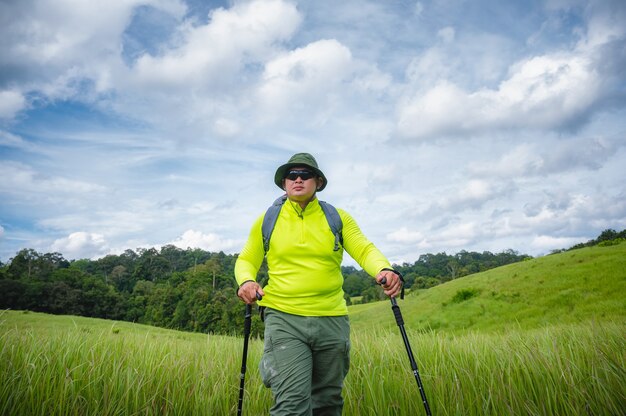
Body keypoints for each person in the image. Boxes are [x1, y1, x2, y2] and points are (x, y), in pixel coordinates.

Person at [235, 152, 402, 416]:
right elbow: (246, 258)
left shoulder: (337, 218)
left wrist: (384, 269)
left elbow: (364, 249)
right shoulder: (267, 220)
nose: (297, 179)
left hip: (331, 318)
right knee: (291, 404)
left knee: (328, 402)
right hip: (284, 316)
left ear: (318, 182)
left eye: (305, 174)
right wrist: (246, 281)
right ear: (283, 183)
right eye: (291, 175)